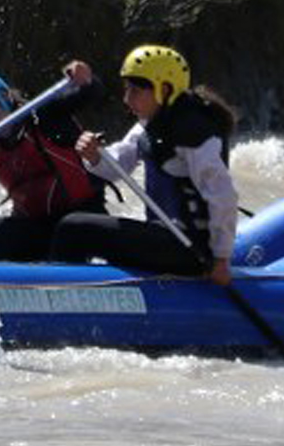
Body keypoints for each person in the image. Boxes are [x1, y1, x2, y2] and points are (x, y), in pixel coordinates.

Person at [50, 45, 239, 285]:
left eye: (135, 90)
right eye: (127, 89)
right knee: (72, 224)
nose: (127, 99)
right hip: (166, 238)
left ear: (165, 89)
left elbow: (223, 196)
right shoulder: (150, 124)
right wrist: (95, 155)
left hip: (191, 251)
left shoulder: (194, 132)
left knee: (73, 228)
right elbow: (118, 163)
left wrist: (221, 260)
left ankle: (60, 298)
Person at [0, 62, 112, 261]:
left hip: (83, 220)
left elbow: (93, 92)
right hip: (40, 228)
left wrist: (85, 78)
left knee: (68, 229)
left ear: (5, 97)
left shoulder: (45, 116)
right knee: (3, 228)